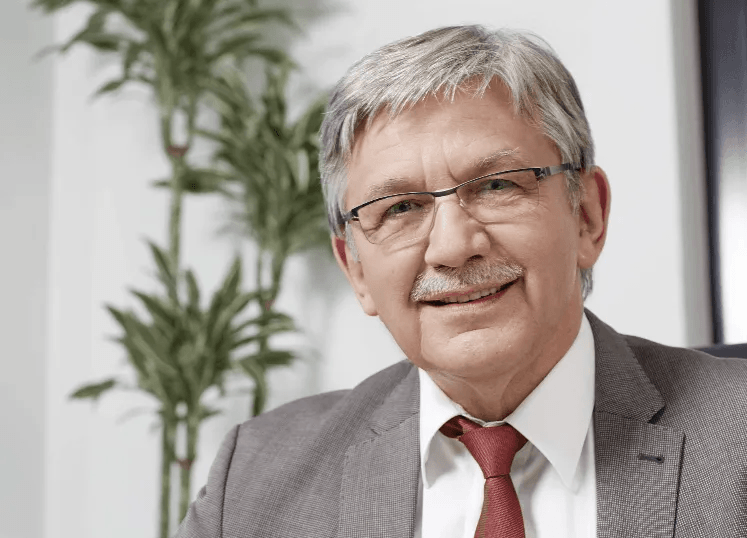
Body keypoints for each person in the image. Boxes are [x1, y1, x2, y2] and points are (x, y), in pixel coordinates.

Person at [175, 25, 747, 538]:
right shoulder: (254, 480)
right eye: (400, 208)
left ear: (587, 216)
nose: (451, 247)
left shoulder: (735, 437)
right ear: (355, 269)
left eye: (497, 185)